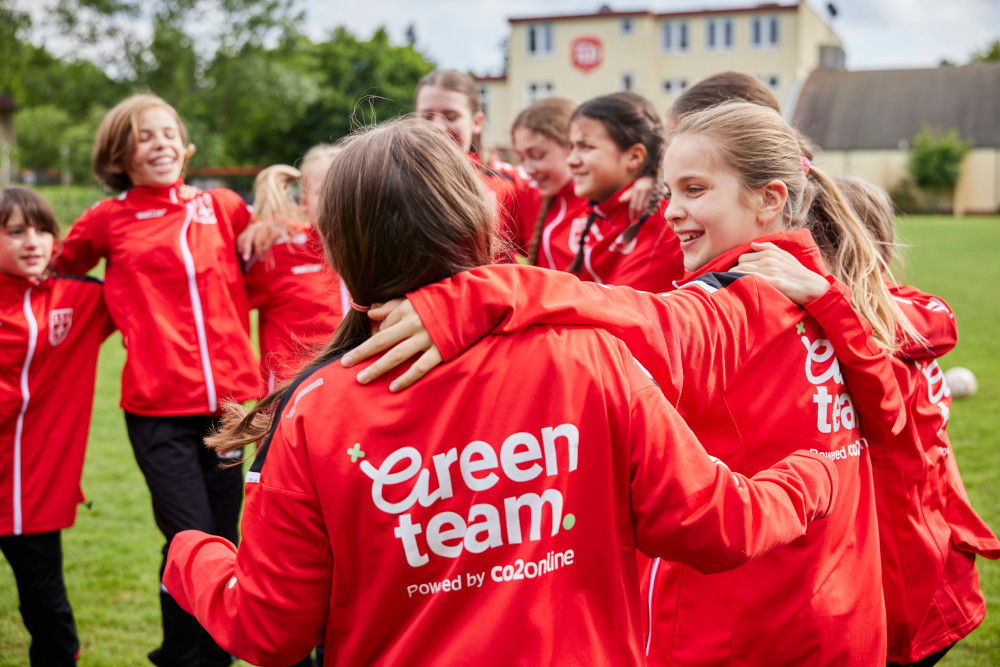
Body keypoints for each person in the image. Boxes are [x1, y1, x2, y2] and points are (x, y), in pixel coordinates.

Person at [161, 117, 841, 667]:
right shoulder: (589, 356)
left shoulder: (317, 408)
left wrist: (190, 553)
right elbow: (717, 523)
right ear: (478, 225)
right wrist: (815, 475)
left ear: (339, 250)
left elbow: (270, 630)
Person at [338, 102, 910, 665]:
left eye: (695, 190)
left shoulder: (754, 291)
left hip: (751, 625)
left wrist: (486, 292)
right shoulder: (821, 286)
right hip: (839, 613)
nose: (672, 213)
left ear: (769, 199)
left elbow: (661, 327)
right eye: (669, 193)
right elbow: (891, 414)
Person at [734, 176, 1000, 666]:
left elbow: (931, 326)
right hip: (909, 567)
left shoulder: (874, 330)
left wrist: (823, 296)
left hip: (912, 586)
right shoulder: (871, 321)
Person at [54, 93, 259, 667]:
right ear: (121, 153)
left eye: (169, 132)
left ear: (185, 145)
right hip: (156, 408)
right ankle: (183, 653)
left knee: (224, 538)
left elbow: (267, 259)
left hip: (230, 409)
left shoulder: (221, 206)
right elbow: (58, 275)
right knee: (188, 537)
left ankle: (207, 654)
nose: (161, 143)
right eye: (145, 136)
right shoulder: (107, 218)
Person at [0, 186, 113, 666]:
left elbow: (159, 290)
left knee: (47, 612)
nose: (32, 241)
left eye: (42, 229)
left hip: (34, 496)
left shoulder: (81, 298)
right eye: (15, 232)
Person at [552, 92, 683, 292]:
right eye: (571, 147)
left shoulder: (665, 219)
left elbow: (623, 314)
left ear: (634, 156)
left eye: (586, 147)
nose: (571, 160)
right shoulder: (603, 214)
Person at [244, 158, 344, 391]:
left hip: (348, 393)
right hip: (287, 397)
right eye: (324, 190)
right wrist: (246, 227)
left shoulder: (373, 252)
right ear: (304, 204)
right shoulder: (276, 250)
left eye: (343, 187)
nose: (336, 198)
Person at [415, 69, 530, 259]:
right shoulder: (393, 179)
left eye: (450, 117)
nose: (436, 127)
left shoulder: (507, 182)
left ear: (477, 122)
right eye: (427, 116)